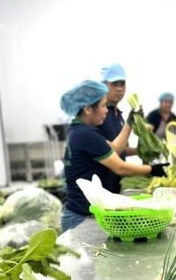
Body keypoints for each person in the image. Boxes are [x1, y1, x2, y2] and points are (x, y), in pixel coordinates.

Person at [60, 80, 168, 232]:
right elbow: (120, 167)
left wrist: (130, 123)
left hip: (78, 213)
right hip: (80, 217)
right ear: (88, 109)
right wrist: (152, 169)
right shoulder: (85, 134)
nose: (106, 111)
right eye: (103, 106)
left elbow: (115, 148)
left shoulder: (80, 131)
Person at [97, 63, 134, 194]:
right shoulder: (99, 116)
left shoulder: (119, 116)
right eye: (114, 84)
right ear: (103, 85)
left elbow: (122, 149)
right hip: (102, 188)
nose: (119, 89)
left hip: (116, 186)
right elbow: (112, 150)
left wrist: (141, 151)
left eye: (122, 84)